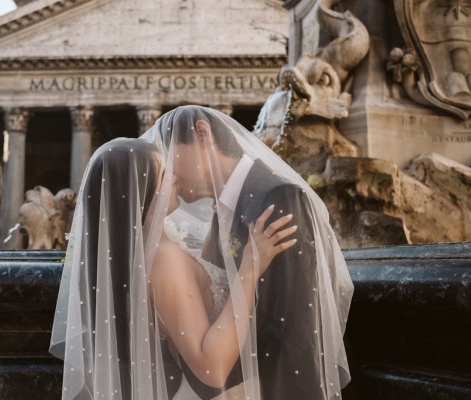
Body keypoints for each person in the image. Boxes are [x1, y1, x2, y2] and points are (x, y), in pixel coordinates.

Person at [50, 137, 297, 400]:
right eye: (164, 173)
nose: (175, 177)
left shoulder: (154, 248)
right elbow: (211, 368)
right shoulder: (164, 259)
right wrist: (250, 268)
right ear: (141, 190)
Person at [150, 105, 354, 399]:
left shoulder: (277, 197)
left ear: (202, 133)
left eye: (170, 153)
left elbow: (297, 327)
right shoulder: (224, 210)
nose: (168, 169)